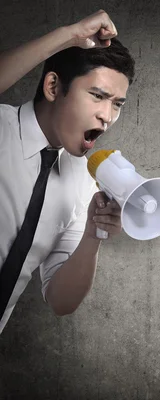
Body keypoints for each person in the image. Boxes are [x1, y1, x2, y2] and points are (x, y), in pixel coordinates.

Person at [0, 9, 135, 332]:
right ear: (52, 87)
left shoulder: (83, 181)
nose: (107, 116)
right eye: (98, 96)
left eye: (117, 104)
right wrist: (68, 36)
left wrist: (93, 234)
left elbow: (61, 301)